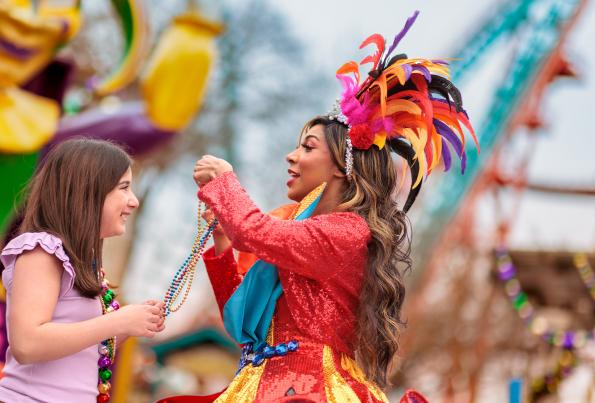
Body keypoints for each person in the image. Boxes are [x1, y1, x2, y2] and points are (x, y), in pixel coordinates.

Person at [171, 10, 476, 403]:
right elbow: (242, 322)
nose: (291, 156)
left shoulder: (348, 231)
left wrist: (226, 181)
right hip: (260, 386)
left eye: (307, 147)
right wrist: (222, 241)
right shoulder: (299, 231)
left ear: (341, 167)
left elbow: (255, 231)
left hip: (312, 391)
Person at [0, 139, 166, 403]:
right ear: (89, 191)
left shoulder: (83, 261)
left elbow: (82, 349)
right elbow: (27, 343)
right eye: (124, 188)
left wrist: (131, 325)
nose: (133, 201)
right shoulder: (41, 251)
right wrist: (119, 321)